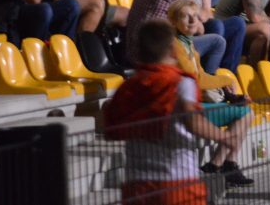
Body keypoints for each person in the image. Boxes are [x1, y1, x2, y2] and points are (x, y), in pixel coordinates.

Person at [104, 20, 245, 205]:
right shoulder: (179, 82)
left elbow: (110, 124)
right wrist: (224, 138)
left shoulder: (128, 87)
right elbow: (192, 120)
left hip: (136, 183)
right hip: (176, 181)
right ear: (173, 49)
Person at [165, 0, 255, 187]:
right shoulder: (175, 46)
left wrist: (226, 84)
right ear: (173, 21)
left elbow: (201, 75)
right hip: (181, 109)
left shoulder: (188, 45)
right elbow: (195, 80)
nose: (192, 21)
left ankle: (220, 164)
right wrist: (225, 80)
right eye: (185, 17)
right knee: (246, 113)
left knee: (246, 111)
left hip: (191, 104)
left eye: (195, 17)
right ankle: (223, 164)